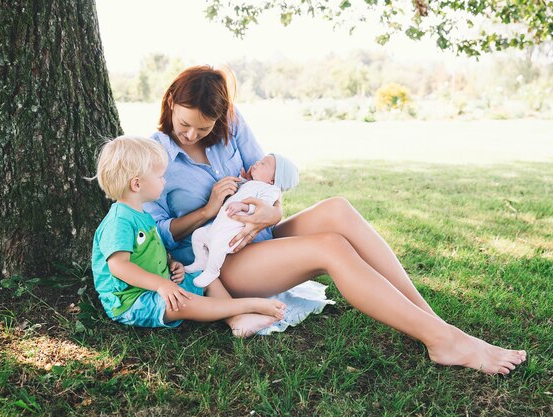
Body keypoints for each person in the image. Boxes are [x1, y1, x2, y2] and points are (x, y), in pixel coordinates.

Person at [144, 66, 527, 374]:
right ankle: (442, 342)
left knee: (338, 209)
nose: (193, 134)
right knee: (330, 247)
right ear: (171, 103)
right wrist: (208, 211)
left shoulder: (232, 122)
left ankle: (437, 326)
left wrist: (269, 216)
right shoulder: (153, 154)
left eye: (204, 128)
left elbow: (270, 185)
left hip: (262, 236)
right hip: (222, 264)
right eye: (185, 125)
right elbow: (158, 232)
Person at [91, 135, 285, 335]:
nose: (164, 181)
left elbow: (149, 250)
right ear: (137, 185)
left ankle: (238, 320)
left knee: (204, 277)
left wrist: (170, 262)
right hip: (131, 300)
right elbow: (119, 266)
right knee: (181, 302)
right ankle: (248, 306)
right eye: (159, 177)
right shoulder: (119, 221)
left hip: (157, 284)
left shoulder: (141, 214)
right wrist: (161, 285)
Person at [185, 153, 299, 288]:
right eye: (260, 160)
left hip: (232, 233)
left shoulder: (270, 191)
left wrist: (244, 207)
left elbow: (262, 208)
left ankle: (212, 271)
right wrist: (243, 179)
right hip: (218, 226)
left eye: (263, 164)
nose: (257, 162)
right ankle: (201, 260)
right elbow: (241, 192)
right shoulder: (253, 184)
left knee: (217, 248)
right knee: (198, 235)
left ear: (273, 180)